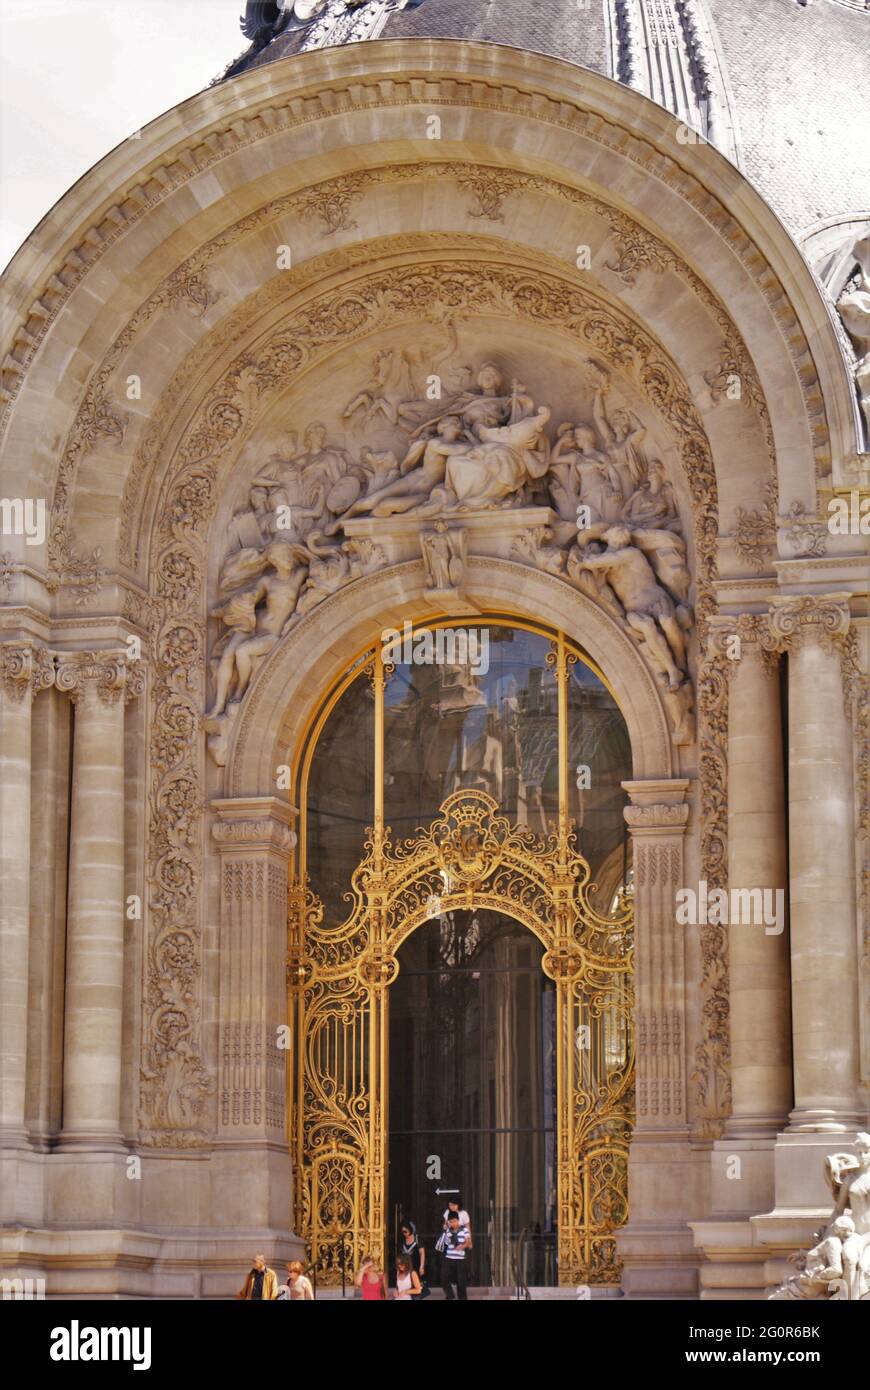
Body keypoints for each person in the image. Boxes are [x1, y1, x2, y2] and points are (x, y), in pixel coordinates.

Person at [441, 1213, 472, 1300]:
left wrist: (462, 1246)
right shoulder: (448, 1230)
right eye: (451, 1222)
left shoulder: (464, 1230)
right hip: (449, 1257)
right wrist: (445, 1231)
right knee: (444, 1277)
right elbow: (446, 1243)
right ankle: (450, 1296)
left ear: (458, 1220)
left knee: (461, 1281)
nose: (453, 1223)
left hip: (460, 1259)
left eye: (454, 1221)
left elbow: (468, 1242)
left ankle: (462, 1298)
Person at [398, 1220, 427, 1295]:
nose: (404, 1234)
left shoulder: (417, 1239)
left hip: (416, 1265)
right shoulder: (403, 1240)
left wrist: (422, 1266)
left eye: (406, 1231)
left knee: (417, 1286)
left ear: (411, 1229)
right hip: (406, 1266)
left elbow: (422, 1253)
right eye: (403, 1232)